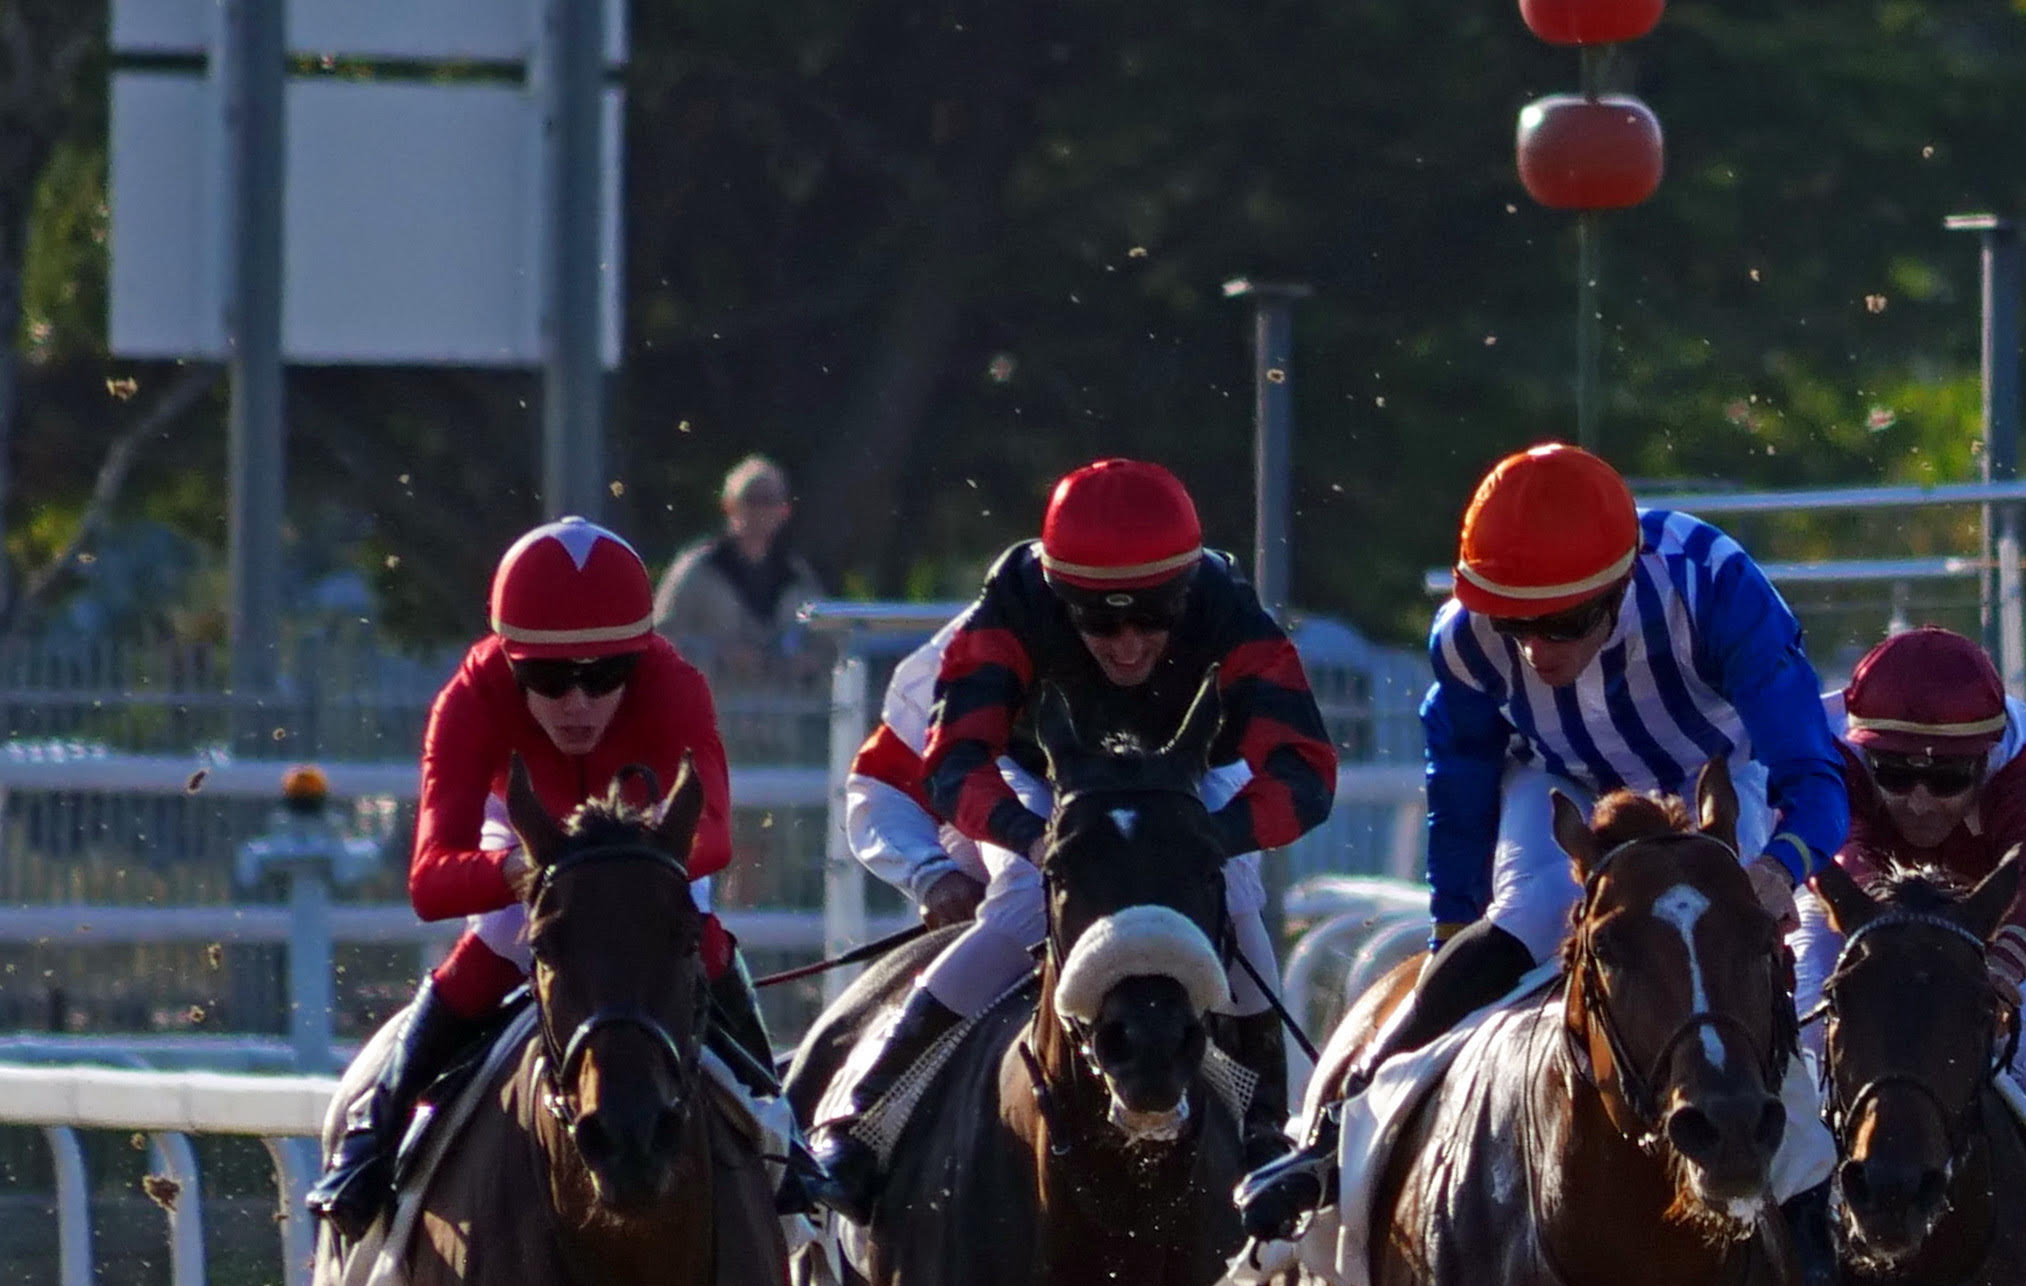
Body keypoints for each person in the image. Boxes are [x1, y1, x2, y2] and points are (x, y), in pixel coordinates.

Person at [1234, 441, 1849, 1241]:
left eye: (1562, 622)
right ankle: (1331, 1134)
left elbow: (1812, 771)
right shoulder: (1461, 637)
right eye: (1514, 622)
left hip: (1712, 771)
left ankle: (1809, 1215)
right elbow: (1458, 787)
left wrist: (1776, 872)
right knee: (1526, 914)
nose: (1536, 649)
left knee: (1734, 941)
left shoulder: (1714, 586)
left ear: (1622, 583)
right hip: (1564, 780)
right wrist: (1453, 932)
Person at [791, 457, 1335, 1219]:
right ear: (1059, 598)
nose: (1125, 643)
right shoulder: (1012, 602)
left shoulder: (1229, 608)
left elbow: (1305, 772)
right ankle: (860, 1118)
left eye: (1151, 617)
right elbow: (954, 765)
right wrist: (1031, 841)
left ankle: (1265, 1126)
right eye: (1097, 620)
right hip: (1040, 772)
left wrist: (1213, 837)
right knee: (1020, 896)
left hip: (1182, 776)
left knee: (1235, 885)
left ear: (1187, 590)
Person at [308, 518, 772, 1230]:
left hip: (642, 843)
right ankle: (375, 1135)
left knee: (697, 936)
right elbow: (431, 880)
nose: (577, 704)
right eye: (547, 679)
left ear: (638, 659)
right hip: (528, 840)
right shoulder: (469, 695)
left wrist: (623, 860)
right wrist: (531, 868)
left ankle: (784, 1128)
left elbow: (712, 836)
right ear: (508, 660)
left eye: (604, 676)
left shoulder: (674, 682)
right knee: (497, 938)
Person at [1802, 626, 2026, 1122]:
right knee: (1808, 1030)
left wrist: (2002, 970)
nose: (1921, 802)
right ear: (1865, 752)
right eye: (1895, 774)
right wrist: (1880, 938)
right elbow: (1842, 856)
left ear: (1985, 759)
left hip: (1979, 908)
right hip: (1854, 909)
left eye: (1948, 777)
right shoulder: (1825, 749)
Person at [653, 456, 824, 690]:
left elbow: (824, 646)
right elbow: (661, 639)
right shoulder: (697, 570)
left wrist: (805, 663)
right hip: (712, 713)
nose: (760, 510)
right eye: (751, 499)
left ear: (785, 510)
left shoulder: (797, 577)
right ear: (728, 505)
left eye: (769, 501)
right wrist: (717, 655)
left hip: (778, 718)